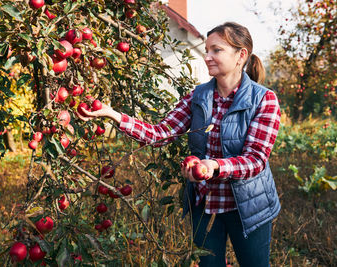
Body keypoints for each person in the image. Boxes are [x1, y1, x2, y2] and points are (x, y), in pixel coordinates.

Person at [77, 21, 281, 267]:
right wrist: (114, 116)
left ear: (241, 55)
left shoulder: (264, 99)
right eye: (207, 50)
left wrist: (213, 166)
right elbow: (160, 134)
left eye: (216, 50)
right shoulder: (198, 97)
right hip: (206, 205)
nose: (207, 57)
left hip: (249, 206)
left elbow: (256, 159)